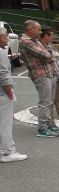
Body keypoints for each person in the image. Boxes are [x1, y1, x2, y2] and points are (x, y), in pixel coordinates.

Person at [20, 19, 59, 137]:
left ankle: (48, 125)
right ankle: (42, 128)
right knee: (45, 102)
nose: (40, 31)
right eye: (38, 29)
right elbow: (44, 54)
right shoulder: (26, 42)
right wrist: (49, 55)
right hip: (40, 74)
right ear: (30, 29)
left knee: (50, 101)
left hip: (49, 73)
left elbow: (49, 52)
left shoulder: (35, 41)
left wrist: (48, 54)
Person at [0, 28, 26, 162]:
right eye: (5, 37)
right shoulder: (1, 52)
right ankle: (7, 152)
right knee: (5, 123)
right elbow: (3, 75)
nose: (8, 39)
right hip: (2, 94)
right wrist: (10, 93)